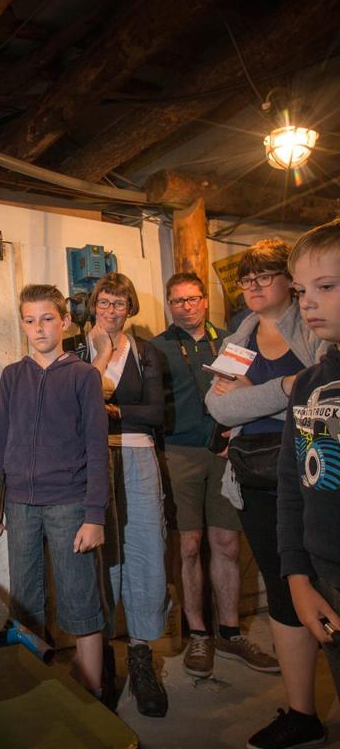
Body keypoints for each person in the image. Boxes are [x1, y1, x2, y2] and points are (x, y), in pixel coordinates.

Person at [205, 238, 327, 749]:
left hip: (315, 473)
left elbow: (324, 395)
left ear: (289, 281)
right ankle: (302, 713)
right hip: (256, 479)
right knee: (283, 589)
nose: (253, 286)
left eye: (264, 275)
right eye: (245, 279)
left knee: (328, 581)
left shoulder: (317, 329)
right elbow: (218, 408)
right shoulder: (241, 338)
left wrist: (250, 401)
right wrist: (283, 390)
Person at [0, 284, 108, 696]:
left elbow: (95, 447)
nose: (38, 328)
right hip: (19, 504)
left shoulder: (84, 376)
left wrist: (94, 515)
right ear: (22, 324)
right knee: (24, 602)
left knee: (80, 599)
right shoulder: (12, 376)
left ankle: (92, 694)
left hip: (70, 505)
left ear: (65, 321)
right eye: (30, 320)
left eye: (48, 318)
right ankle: (36, 690)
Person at [152, 272, 277, 678]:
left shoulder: (232, 341)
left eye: (192, 298)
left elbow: (243, 393)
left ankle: (230, 632)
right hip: (179, 454)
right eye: (177, 301)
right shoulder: (156, 347)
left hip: (225, 451)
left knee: (225, 542)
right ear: (169, 305)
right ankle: (199, 635)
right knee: (187, 545)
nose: (185, 306)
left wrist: (232, 435)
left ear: (204, 300)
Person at [85, 272, 168, 718]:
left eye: (119, 304)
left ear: (130, 308)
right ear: (93, 305)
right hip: (93, 461)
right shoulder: (79, 353)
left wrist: (112, 409)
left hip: (137, 456)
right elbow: (75, 407)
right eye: (104, 302)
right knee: (101, 556)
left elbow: (154, 413)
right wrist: (99, 358)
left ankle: (141, 658)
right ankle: (105, 663)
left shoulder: (147, 353)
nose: (111, 310)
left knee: (144, 551)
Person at [278, 220, 340, 745]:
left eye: (327, 286)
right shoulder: (310, 384)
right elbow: (293, 486)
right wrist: (299, 578)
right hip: (327, 579)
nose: (307, 302)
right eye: (300, 291)